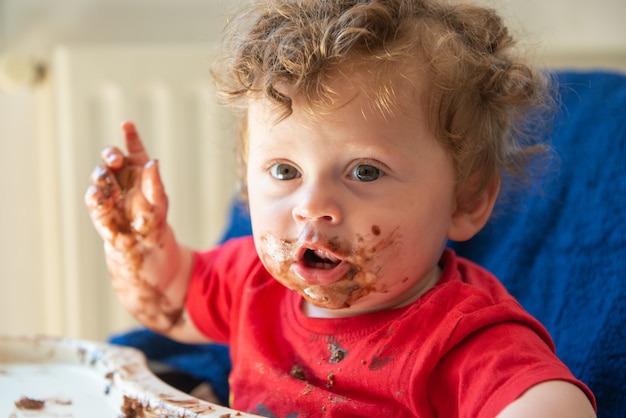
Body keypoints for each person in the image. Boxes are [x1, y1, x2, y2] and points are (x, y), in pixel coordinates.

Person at [85, 0, 597, 416]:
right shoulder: (254, 285)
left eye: (365, 172)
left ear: (468, 200)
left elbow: (550, 399)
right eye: (285, 171)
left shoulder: (460, 335)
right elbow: (170, 304)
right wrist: (137, 243)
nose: (313, 207)